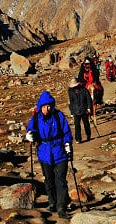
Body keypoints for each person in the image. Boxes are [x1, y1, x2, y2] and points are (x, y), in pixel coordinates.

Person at [26, 90, 74, 218]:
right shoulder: (36, 118)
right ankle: (52, 202)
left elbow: (66, 132)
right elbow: (31, 129)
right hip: (44, 152)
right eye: (45, 106)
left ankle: (61, 207)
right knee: (49, 180)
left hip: (60, 151)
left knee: (61, 180)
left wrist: (67, 143)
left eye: (49, 105)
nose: (47, 108)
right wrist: (30, 134)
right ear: (40, 106)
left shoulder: (58, 116)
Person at [67, 78, 93, 144]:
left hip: (84, 110)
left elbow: (89, 99)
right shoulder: (70, 91)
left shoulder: (84, 90)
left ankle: (88, 135)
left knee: (86, 124)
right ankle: (78, 139)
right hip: (76, 111)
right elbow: (71, 102)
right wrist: (72, 112)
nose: (75, 87)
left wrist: (89, 108)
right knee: (77, 125)